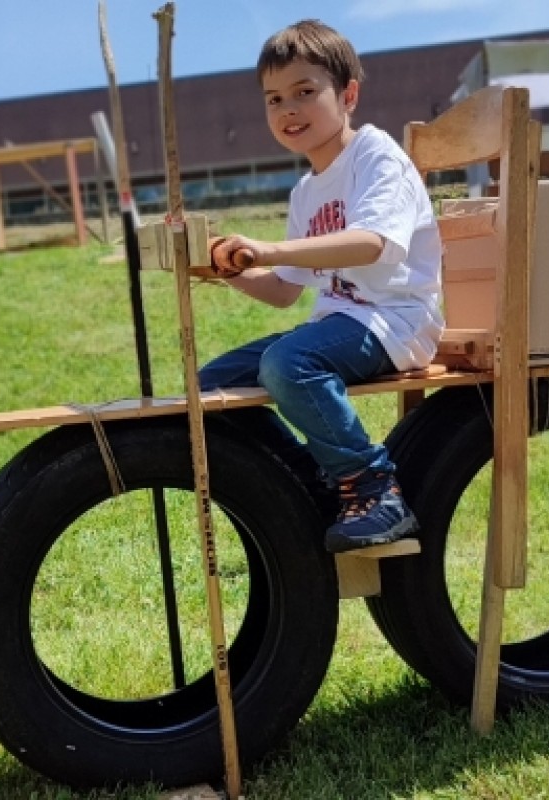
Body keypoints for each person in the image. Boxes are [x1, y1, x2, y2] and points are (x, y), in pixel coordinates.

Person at [201, 19, 443, 553]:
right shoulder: (307, 190)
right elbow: (286, 289)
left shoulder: (375, 157)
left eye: (305, 93)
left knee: (288, 364)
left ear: (348, 94)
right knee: (211, 385)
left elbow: (370, 244)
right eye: (274, 99)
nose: (288, 110)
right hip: (342, 323)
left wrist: (269, 249)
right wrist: (231, 269)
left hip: (396, 319)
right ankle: (312, 481)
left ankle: (377, 490)